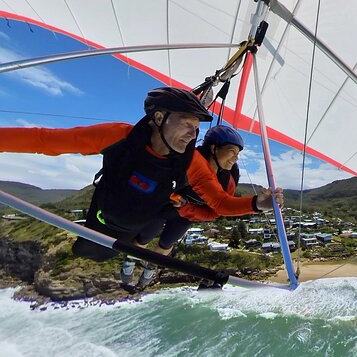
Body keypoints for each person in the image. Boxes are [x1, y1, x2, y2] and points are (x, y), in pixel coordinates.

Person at [0, 87, 282, 289]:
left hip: (136, 227)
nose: (192, 133)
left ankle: (139, 266)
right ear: (159, 118)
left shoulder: (190, 162)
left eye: (196, 128)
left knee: (149, 240)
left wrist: (258, 203)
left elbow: (220, 203)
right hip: (102, 220)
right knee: (94, 249)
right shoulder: (120, 137)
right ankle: (129, 261)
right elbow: (44, 141)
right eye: (186, 124)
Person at [122, 125, 284, 288]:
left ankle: (150, 268)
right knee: (145, 237)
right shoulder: (190, 159)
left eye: (238, 154)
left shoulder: (228, 179)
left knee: (166, 244)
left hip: (187, 215)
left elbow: (217, 212)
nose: (235, 158)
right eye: (232, 151)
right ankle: (130, 261)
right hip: (163, 206)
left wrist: (186, 208)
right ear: (214, 148)